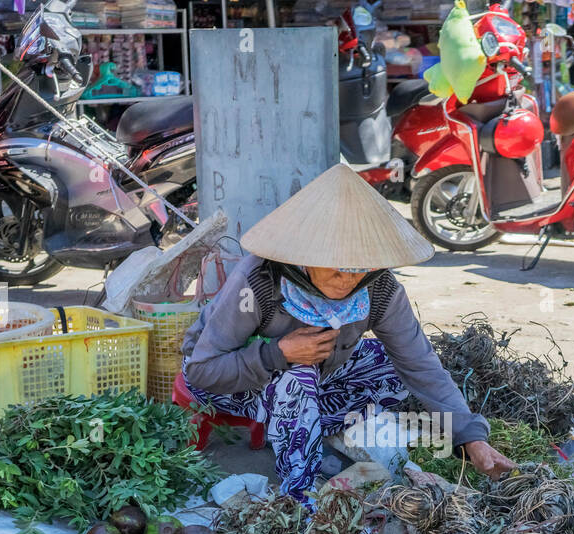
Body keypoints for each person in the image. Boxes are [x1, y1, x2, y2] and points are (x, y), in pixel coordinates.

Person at [181, 163, 515, 502]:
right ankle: (300, 494)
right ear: (305, 253)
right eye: (338, 266)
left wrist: (471, 438)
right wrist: (278, 353)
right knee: (298, 378)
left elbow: (420, 364)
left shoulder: (379, 287)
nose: (349, 279)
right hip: (229, 382)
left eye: (359, 268)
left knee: (388, 365)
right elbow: (201, 369)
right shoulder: (258, 281)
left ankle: (311, 427)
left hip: (319, 377)